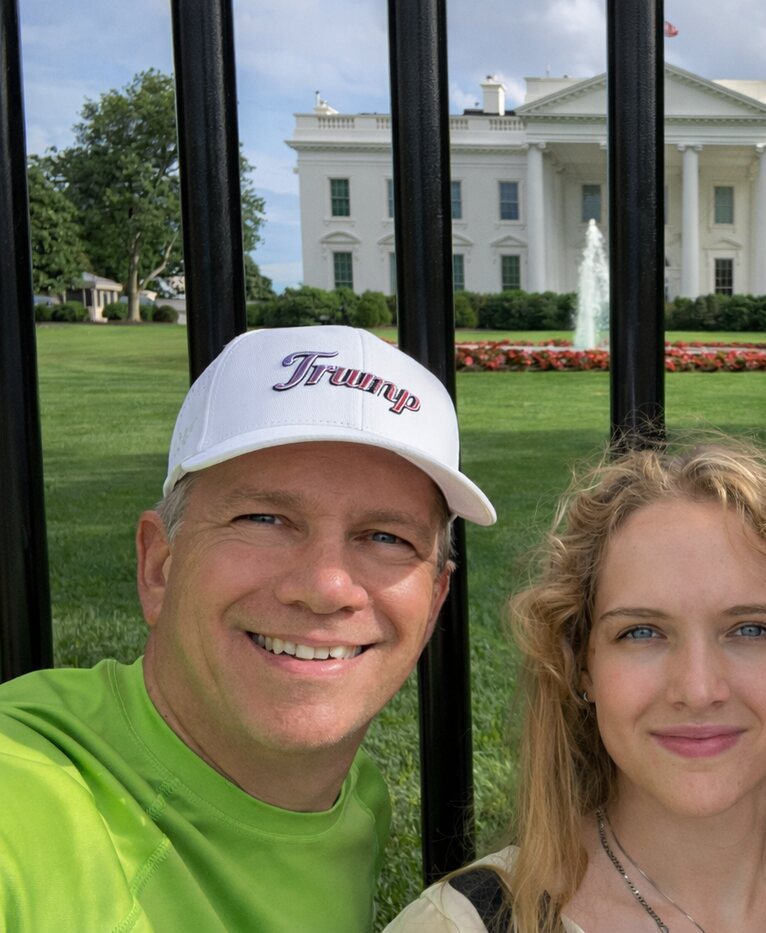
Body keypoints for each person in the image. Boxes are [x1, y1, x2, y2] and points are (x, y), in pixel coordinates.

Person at [0, 325, 496, 931]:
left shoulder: (353, 797)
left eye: (387, 537)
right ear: (159, 565)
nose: (325, 587)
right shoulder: (26, 796)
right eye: (264, 518)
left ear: (435, 601)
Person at [388, 441, 766, 932]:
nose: (699, 688)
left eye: (751, 629)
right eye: (641, 632)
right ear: (581, 664)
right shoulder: (461, 923)